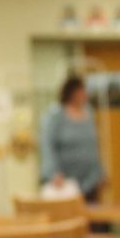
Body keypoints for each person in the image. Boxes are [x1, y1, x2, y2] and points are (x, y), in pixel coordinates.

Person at [39, 74, 106, 202]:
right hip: (65, 182)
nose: (84, 94)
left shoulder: (89, 113)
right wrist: (53, 172)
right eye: (81, 90)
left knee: (93, 218)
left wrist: (101, 172)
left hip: (90, 179)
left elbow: (94, 146)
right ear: (72, 93)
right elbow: (47, 145)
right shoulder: (56, 115)